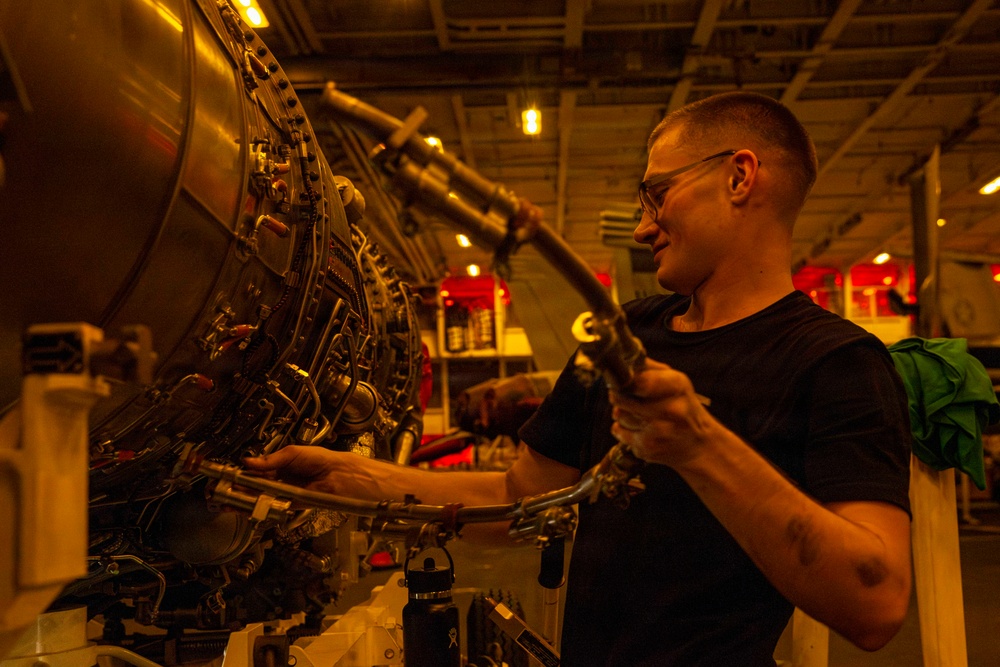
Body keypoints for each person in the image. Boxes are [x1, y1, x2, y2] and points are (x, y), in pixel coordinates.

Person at [245, 91, 912, 666]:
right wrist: (353, 481)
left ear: (740, 178)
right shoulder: (627, 333)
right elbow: (520, 497)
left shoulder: (836, 361)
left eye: (658, 193)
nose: (646, 224)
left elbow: (876, 604)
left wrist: (699, 443)